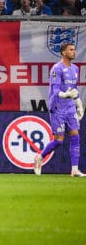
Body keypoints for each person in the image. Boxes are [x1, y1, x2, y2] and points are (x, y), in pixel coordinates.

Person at [34, 42, 83, 176]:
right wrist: (66, 94)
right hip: (57, 108)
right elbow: (56, 91)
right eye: (71, 50)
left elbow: (74, 89)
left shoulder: (75, 69)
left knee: (75, 136)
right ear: (63, 52)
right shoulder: (57, 68)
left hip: (70, 108)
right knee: (59, 141)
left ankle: (74, 169)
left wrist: (78, 103)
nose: (74, 52)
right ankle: (40, 157)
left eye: (74, 49)